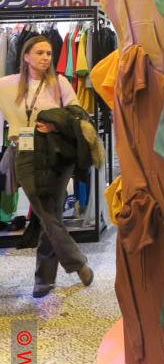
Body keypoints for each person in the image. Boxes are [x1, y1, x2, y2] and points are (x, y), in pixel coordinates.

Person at [0, 35, 94, 297]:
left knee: (50, 215)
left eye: (49, 53)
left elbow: (78, 115)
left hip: (56, 154)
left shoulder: (59, 82)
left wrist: (55, 123)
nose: (45, 58)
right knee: (46, 212)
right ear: (26, 56)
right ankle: (77, 263)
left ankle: (44, 279)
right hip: (24, 152)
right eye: (39, 53)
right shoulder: (6, 84)